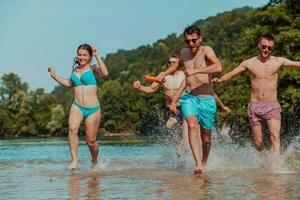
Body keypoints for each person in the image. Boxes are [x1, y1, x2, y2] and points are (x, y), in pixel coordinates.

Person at [212, 34, 300, 156]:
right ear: (259, 45)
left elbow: (297, 64)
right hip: (255, 106)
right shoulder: (249, 63)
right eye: (264, 46)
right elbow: (232, 74)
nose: (266, 50)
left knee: (275, 136)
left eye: (270, 48)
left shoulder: (278, 61)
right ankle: (264, 164)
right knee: (258, 143)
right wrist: (221, 80)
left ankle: (275, 167)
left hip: (272, 105)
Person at [164, 25, 222, 174]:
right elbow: (176, 66)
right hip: (189, 98)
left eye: (193, 40)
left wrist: (196, 70)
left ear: (200, 39)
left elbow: (218, 67)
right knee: (191, 125)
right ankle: (198, 164)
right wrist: (163, 74)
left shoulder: (206, 50)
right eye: (187, 41)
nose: (191, 44)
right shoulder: (184, 53)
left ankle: (204, 162)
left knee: (206, 138)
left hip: (206, 99)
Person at [48, 44, 109, 170]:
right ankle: (74, 160)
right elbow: (69, 84)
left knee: (90, 141)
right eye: (79, 54)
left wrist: (97, 55)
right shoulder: (75, 71)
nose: (81, 57)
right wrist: (55, 76)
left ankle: (94, 160)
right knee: (72, 128)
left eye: (84, 55)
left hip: (93, 109)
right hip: (77, 106)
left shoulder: (93, 69)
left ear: (89, 57)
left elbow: (105, 72)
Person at [132, 55, 189, 152]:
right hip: (170, 109)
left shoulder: (184, 75)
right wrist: (139, 87)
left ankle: (190, 159)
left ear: (178, 64)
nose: (171, 64)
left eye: (174, 62)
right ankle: (181, 159)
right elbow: (151, 89)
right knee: (171, 129)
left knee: (186, 137)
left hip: (184, 107)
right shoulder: (163, 75)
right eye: (169, 62)